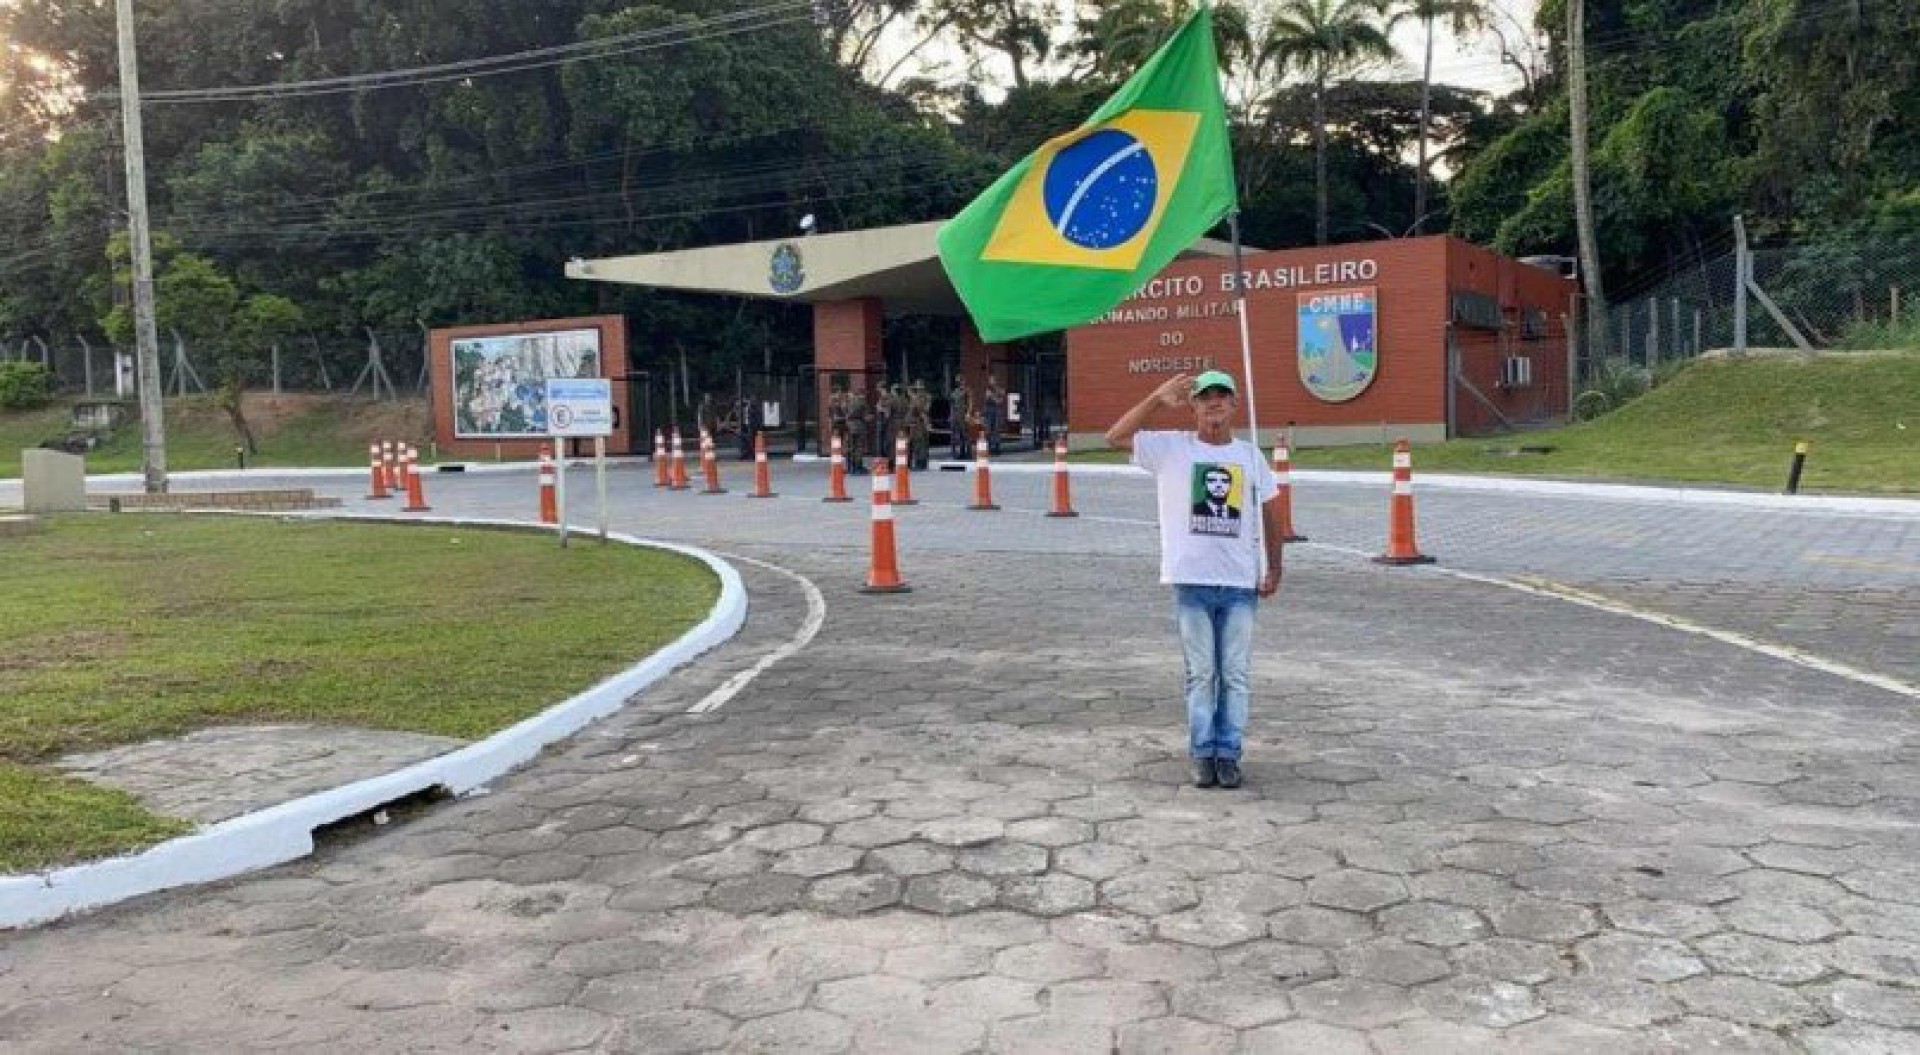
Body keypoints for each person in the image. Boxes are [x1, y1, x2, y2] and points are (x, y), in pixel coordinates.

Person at [1104, 370, 1284, 790]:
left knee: (1235, 673)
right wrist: (1154, 399)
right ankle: (1204, 752)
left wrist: (1275, 565)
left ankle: (1229, 753)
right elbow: (1115, 436)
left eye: (1222, 396)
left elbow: (1272, 513)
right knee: (1201, 673)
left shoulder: (1249, 456)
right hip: (1191, 581)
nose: (1214, 403)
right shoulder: (1172, 449)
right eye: (1205, 397)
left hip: (1240, 582)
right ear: (1194, 405)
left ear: (1234, 404)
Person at [907, 380, 932, 470]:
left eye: (917, 387)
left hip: (919, 423)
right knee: (918, 443)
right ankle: (919, 462)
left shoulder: (922, 396)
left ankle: (920, 463)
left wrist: (913, 397)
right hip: (916, 422)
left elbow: (922, 409)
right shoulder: (917, 396)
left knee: (919, 443)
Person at [947, 380, 973, 460]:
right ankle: (960, 452)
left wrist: (968, 413)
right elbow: (952, 404)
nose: (960, 384)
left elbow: (970, 403)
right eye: (959, 383)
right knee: (957, 434)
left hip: (963, 414)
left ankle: (968, 453)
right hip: (956, 414)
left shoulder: (967, 391)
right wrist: (951, 415)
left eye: (961, 382)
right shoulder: (954, 392)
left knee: (965, 434)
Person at [982, 377, 1005, 456]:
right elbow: (990, 397)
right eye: (991, 380)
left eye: (993, 380)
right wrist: (996, 399)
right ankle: (989, 448)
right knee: (988, 430)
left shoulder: (998, 389)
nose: (992, 382)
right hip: (989, 411)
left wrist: (997, 398)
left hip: (996, 411)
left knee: (996, 430)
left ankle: (997, 448)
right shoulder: (988, 390)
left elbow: (1002, 397)